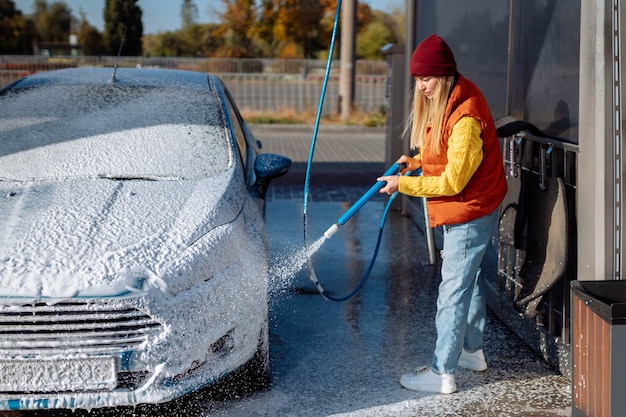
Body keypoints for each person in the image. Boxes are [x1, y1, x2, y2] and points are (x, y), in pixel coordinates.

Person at [378, 34, 507, 394]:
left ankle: (441, 372)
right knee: (469, 279)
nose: (421, 88)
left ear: (445, 75)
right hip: (472, 205)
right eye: (417, 80)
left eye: (426, 80)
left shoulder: (465, 115)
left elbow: (452, 181)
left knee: (452, 289)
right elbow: (448, 156)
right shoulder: (453, 97)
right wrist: (417, 162)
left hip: (469, 209)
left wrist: (402, 185)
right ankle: (470, 352)